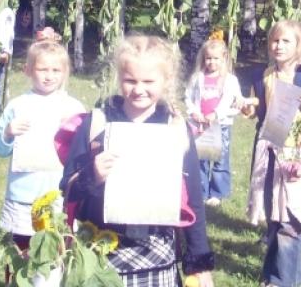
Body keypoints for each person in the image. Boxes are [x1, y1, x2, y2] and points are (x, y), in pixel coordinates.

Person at [61, 34, 216, 287]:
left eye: (148, 81)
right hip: (100, 253)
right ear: (119, 77)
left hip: (157, 254)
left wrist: (199, 264)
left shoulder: (175, 129)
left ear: (167, 80)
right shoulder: (95, 124)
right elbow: (67, 190)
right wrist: (91, 175)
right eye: (130, 80)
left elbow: (193, 199)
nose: (139, 89)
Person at [241, 20, 301, 287]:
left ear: (299, 45)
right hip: (268, 154)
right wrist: (247, 109)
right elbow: (257, 111)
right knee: (274, 218)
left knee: (291, 220)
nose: (279, 46)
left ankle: (285, 281)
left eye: (286, 41)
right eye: (275, 41)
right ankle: (271, 276)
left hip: (297, 156)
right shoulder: (261, 76)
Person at [0, 37, 84, 249]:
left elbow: (82, 152)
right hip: (23, 194)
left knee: (57, 248)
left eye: (55, 70)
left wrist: (74, 133)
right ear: (28, 70)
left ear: (64, 72)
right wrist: (8, 133)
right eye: (43, 69)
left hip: (59, 194)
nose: (49, 76)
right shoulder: (17, 106)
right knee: (21, 249)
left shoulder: (73, 107)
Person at [184, 36, 242, 208]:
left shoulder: (230, 80)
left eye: (216, 58)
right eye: (208, 58)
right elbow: (188, 97)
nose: (212, 62)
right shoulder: (197, 78)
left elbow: (231, 99)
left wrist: (215, 114)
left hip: (220, 124)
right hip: (200, 125)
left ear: (224, 58)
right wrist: (194, 112)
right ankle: (201, 191)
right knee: (200, 158)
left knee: (220, 159)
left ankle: (217, 192)